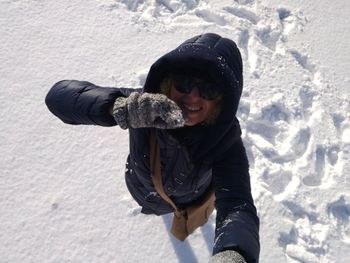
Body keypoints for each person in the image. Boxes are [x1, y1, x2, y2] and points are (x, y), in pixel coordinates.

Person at [45, 33, 260, 263]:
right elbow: (58, 97)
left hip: (187, 201)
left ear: (222, 100)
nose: (193, 97)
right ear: (168, 83)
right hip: (139, 185)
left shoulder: (226, 142)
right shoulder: (143, 105)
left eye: (209, 90)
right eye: (184, 83)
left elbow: (238, 204)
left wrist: (234, 253)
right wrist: (115, 107)